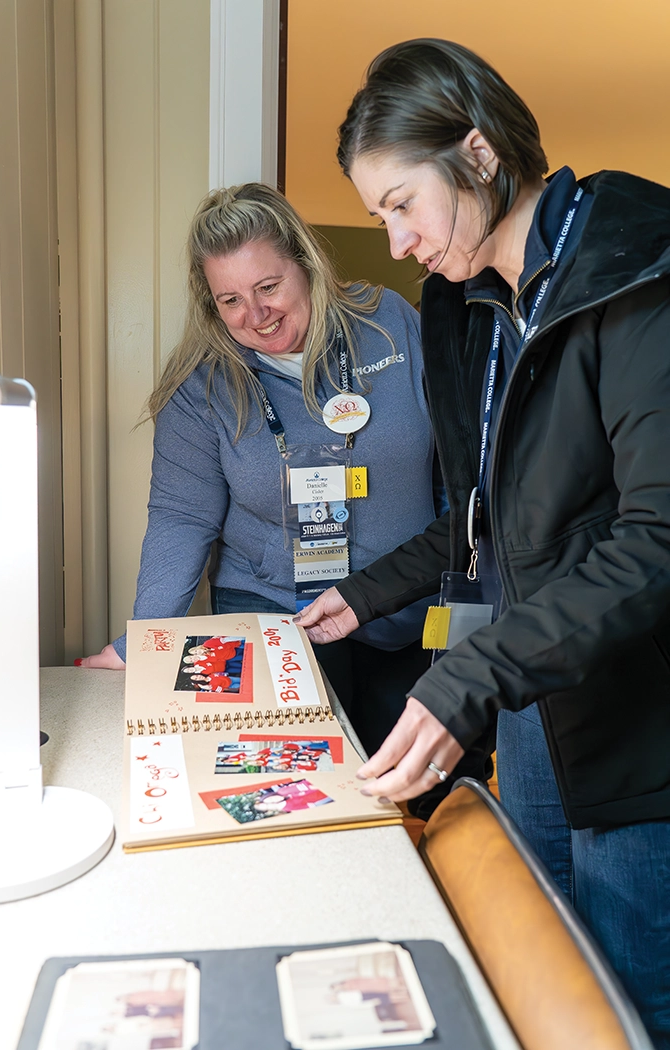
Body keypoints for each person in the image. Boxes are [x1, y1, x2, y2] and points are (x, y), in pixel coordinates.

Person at [295, 38, 670, 1044]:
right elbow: (477, 521)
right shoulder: (472, 312)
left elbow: (656, 540)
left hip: (639, 724)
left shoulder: (638, 275)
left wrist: (473, 675)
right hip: (534, 703)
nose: (400, 241)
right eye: (381, 216)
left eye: (402, 204)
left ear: (476, 153)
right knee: (529, 980)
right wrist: (368, 596)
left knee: (624, 1000)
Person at [78, 182, 450, 772]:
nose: (255, 315)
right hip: (277, 610)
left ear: (307, 265)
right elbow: (181, 519)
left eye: (268, 286)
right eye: (229, 301)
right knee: (297, 782)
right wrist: (145, 644)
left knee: (409, 786)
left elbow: (455, 460)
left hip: (401, 603)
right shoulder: (202, 389)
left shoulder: (388, 325)